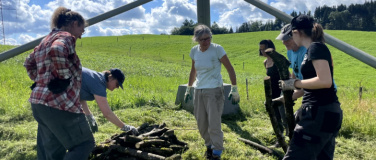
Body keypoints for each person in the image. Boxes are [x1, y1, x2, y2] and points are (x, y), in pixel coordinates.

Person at [24, 7, 94, 160]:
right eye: (82, 28)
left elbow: (28, 62)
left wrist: (41, 81)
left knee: (52, 153)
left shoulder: (45, 40)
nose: (82, 34)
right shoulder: (65, 36)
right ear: (75, 23)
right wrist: (63, 79)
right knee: (84, 144)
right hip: (59, 104)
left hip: (39, 103)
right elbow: (57, 49)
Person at [279, 15, 343, 160]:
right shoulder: (313, 49)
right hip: (325, 112)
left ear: (296, 32)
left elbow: (325, 81)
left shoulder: (315, 47)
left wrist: (294, 84)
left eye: (291, 34)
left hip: (318, 113)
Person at [183, 24, 239, 160]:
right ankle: (209, 146)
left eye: (208, 38)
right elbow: (193, 71)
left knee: (214, 123)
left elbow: (230, 68)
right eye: (202, 39)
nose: (206, 42)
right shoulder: (194, 51)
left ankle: (217, 151)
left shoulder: (217, 49)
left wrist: (234, 88)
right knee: (201, 122)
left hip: (214, 90)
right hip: (199, 89)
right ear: (196, 39)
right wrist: (189, 88)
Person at [80, 67, 138, 134]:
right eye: (117, 84)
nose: (117, 87)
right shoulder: (99, 83)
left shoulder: (97, 77)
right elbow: (107, 113)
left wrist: (89, 116)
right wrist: (125, 127)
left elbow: (80, 96)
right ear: (110, 77)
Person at [259, 40, 288, 139]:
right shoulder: (265, 62)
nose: (262, 51)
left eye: (264, 49)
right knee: (276, 115)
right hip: (272, 92)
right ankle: (280, 137)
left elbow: (285, 74)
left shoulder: (277, 60)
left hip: (281, 91)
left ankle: (290, 135)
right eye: (261, 49)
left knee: (284, 115)